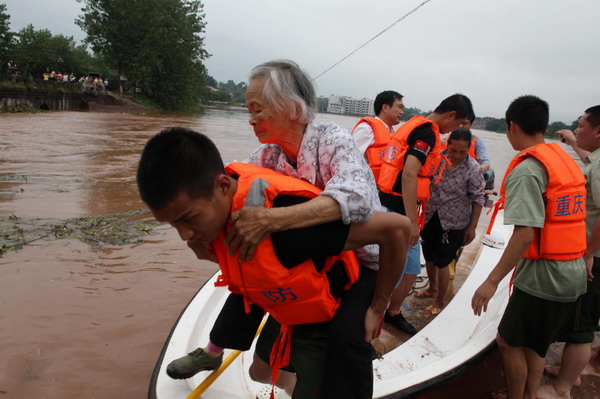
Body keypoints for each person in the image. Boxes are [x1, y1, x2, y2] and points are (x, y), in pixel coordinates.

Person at [168, 60, 393, 399]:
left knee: (348, 337)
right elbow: (230, 192)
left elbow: (358, 199)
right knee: (248, 274)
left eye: (258, 110)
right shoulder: (267, 154)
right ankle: (214, 352)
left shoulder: (332, 139)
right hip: (312, 250)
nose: (251, 119)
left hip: (362, 258)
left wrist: (272, 221)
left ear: (290, 108)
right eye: (249, 111)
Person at [137, 127, 410, 398]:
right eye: (173, 224)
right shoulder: (217, 213)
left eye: (188, 218)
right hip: (288, 306)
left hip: (329, 314)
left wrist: (379, 303)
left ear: (222, 186)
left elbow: (397, 229)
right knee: (259, 372)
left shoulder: (288, 230)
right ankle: (224, 356)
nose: (184, 235)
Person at [471, 95, 588, 399]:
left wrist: (490, 281)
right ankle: (529, 395)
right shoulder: (562, 157)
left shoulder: (527, 169)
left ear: (512, 126)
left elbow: (524, 234)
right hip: (572, 270)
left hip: (544, 276)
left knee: (508, 342)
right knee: (537, 343)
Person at [378, 94, 474, 335]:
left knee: (409, 269)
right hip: (398, 211)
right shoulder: (427, 133)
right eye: (458, 123)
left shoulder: (414, 123)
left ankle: (391, 313)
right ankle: (376, 318)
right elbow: (410, 173)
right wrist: (412, 222)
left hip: (390, 205)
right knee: (389, 271)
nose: (454, 130)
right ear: (451, 115)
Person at [538, 105, 600, 399]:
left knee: (580, 326)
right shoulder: (597, 159)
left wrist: (589, 252)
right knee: (576, 317)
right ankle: (567, 372)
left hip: (593, 258)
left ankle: (562, 388)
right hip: (589, 252)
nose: (577, 131)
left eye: (581, 127)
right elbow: (590, 160)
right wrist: (575, 144)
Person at [414, 128, 484, 314]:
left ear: (469, 149)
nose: (457, 155)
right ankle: (432, 288)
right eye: (453, 150)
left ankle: (439, 302)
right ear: (448, 145)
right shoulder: (436, 159)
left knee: (443, 261)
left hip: (454, 222)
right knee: (428, 254)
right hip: (430, 216)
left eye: (462, 151)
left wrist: (473, 227)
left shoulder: (474, 169)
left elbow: (478, 199)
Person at [351, 90, 405, 181]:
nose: (402, 112)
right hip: (365, 185)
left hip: (382, 188)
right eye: (399, 107)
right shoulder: (366, 129)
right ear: (385, 107)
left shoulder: (392, 133)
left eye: (402, 109)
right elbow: (351, 159)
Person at [458, 113, 496, 194]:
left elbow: (486, 164)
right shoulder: (444, 142)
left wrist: (472, 174)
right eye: (458, 123)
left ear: (471, 124)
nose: (460, 126)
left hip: (468, 186)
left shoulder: (478, 142)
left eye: (464, 123)